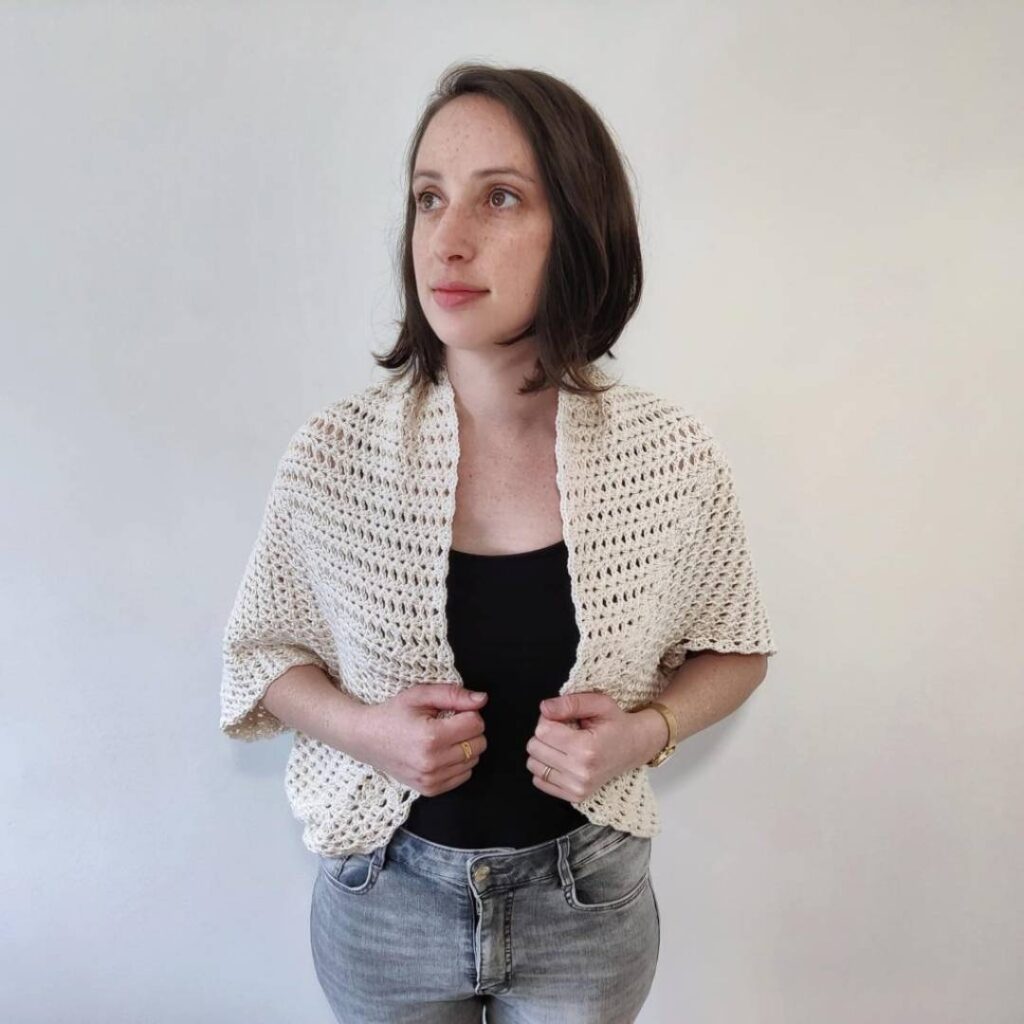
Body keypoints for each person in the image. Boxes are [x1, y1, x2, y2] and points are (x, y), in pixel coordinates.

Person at [220, 62, 776, 1024]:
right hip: (383, 904)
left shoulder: (668, 455)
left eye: (501, 198)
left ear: (579, 231)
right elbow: (263, 656)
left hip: (586, 907)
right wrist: (366, 732)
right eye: (428, 199)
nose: (450, 237)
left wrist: (645, 735)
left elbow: (737, 646)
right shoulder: (335, 454)